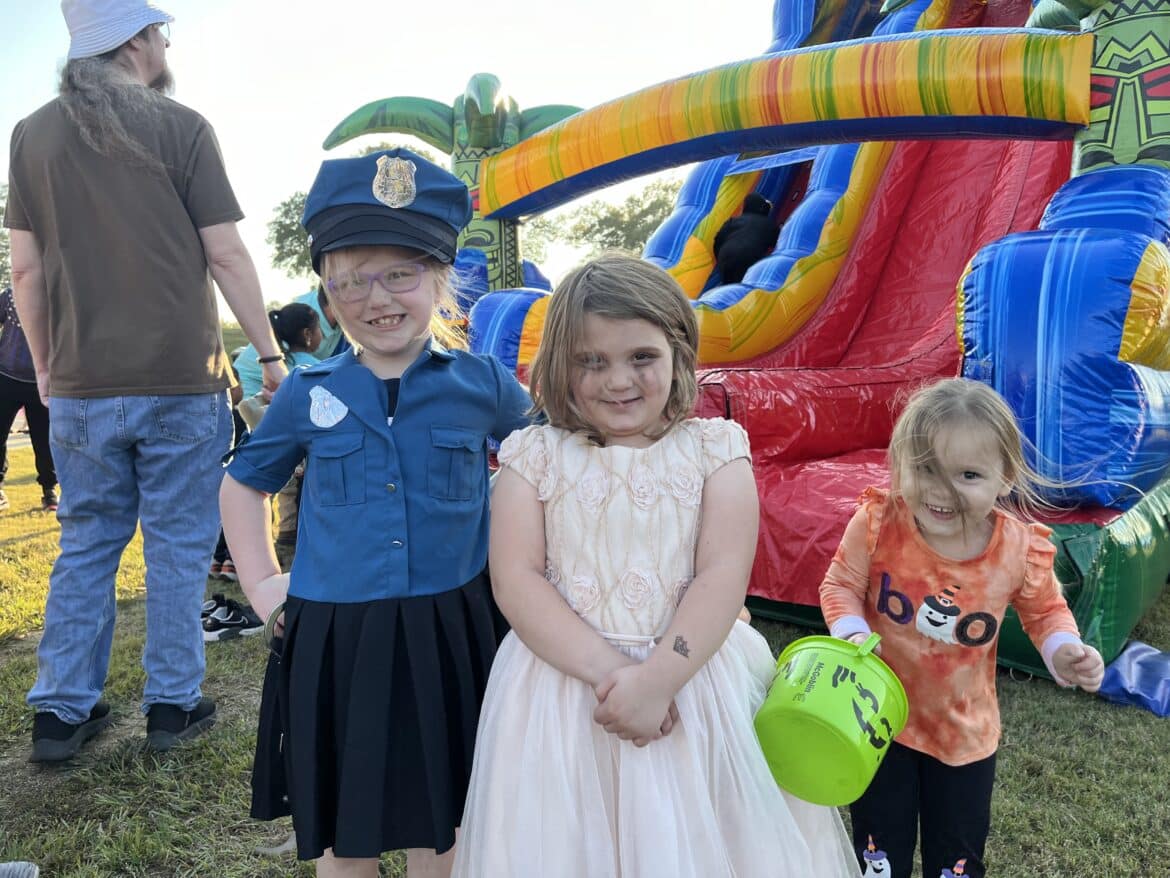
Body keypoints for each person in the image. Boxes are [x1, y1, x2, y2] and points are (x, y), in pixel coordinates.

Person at [452, 253, 859, 877]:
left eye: (641, 356)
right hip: (564, 691)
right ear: (560, 365)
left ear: (678, 354)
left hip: (696, 683)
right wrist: (619, 677)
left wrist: (660, 680)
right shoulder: (531, 458)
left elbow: (722, 574)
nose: (618, 380)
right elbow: (516, 580)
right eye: (592, 361)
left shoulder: (716, 451)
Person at [219, 147, 532, 878]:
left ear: (440, 279)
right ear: (327, 296)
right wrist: (263, 586)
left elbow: (549, 464)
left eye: (400, 274)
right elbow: (242, 485)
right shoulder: (307, 391)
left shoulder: (484, 384)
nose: (376, 298)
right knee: (344, 827)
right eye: (350, 281)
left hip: (453, 627)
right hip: (338, 635)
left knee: (448, 812)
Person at [5, 0, 287, 762]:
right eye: (160, 29)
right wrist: (269, 354)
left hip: (79, 385)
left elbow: (25, 270)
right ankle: (172, 704)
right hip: (181, 378)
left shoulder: (30, 135)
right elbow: (226, 255)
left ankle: (60, 714)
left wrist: (46, 367)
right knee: (178, 544)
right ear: (135, 41)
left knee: (87, 543)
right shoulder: (183, 127)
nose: (165, 41)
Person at [818, 378, 1105, 878]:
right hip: (876, 722)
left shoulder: (1017, 550)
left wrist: (1063, 647)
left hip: (964, 738)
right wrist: (851, 633)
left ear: (1005, 477)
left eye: (968, 474)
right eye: (926, 468)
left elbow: (1044, 612)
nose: (941, 490)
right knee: (878, 852)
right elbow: (840, 584)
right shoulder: (878, 523)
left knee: (956, 861)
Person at [0, 287, 57, 513]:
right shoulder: (9, 295)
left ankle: (49, 490)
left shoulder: (58, 296)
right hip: (5, 376)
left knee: (44, 440)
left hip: (41, 381)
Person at [712, 192, 777, 284]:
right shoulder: (768, 224)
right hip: (749, 257)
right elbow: (779, 242)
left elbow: (717, 240)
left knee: (730, 285)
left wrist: (720, 259)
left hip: (726, 257)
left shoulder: (733, 221)